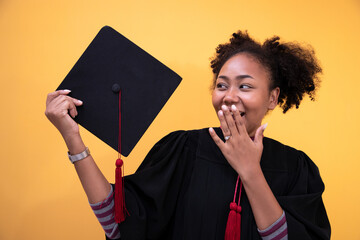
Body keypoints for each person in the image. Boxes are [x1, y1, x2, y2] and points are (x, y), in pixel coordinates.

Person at [45, 30, 331, 240]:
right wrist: (73, 139)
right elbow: (120, 226)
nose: (230, 97)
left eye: (245, 87)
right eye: (222, 85)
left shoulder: (296, 168)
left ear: (272, 97)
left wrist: (250, 171)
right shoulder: (183, 150)